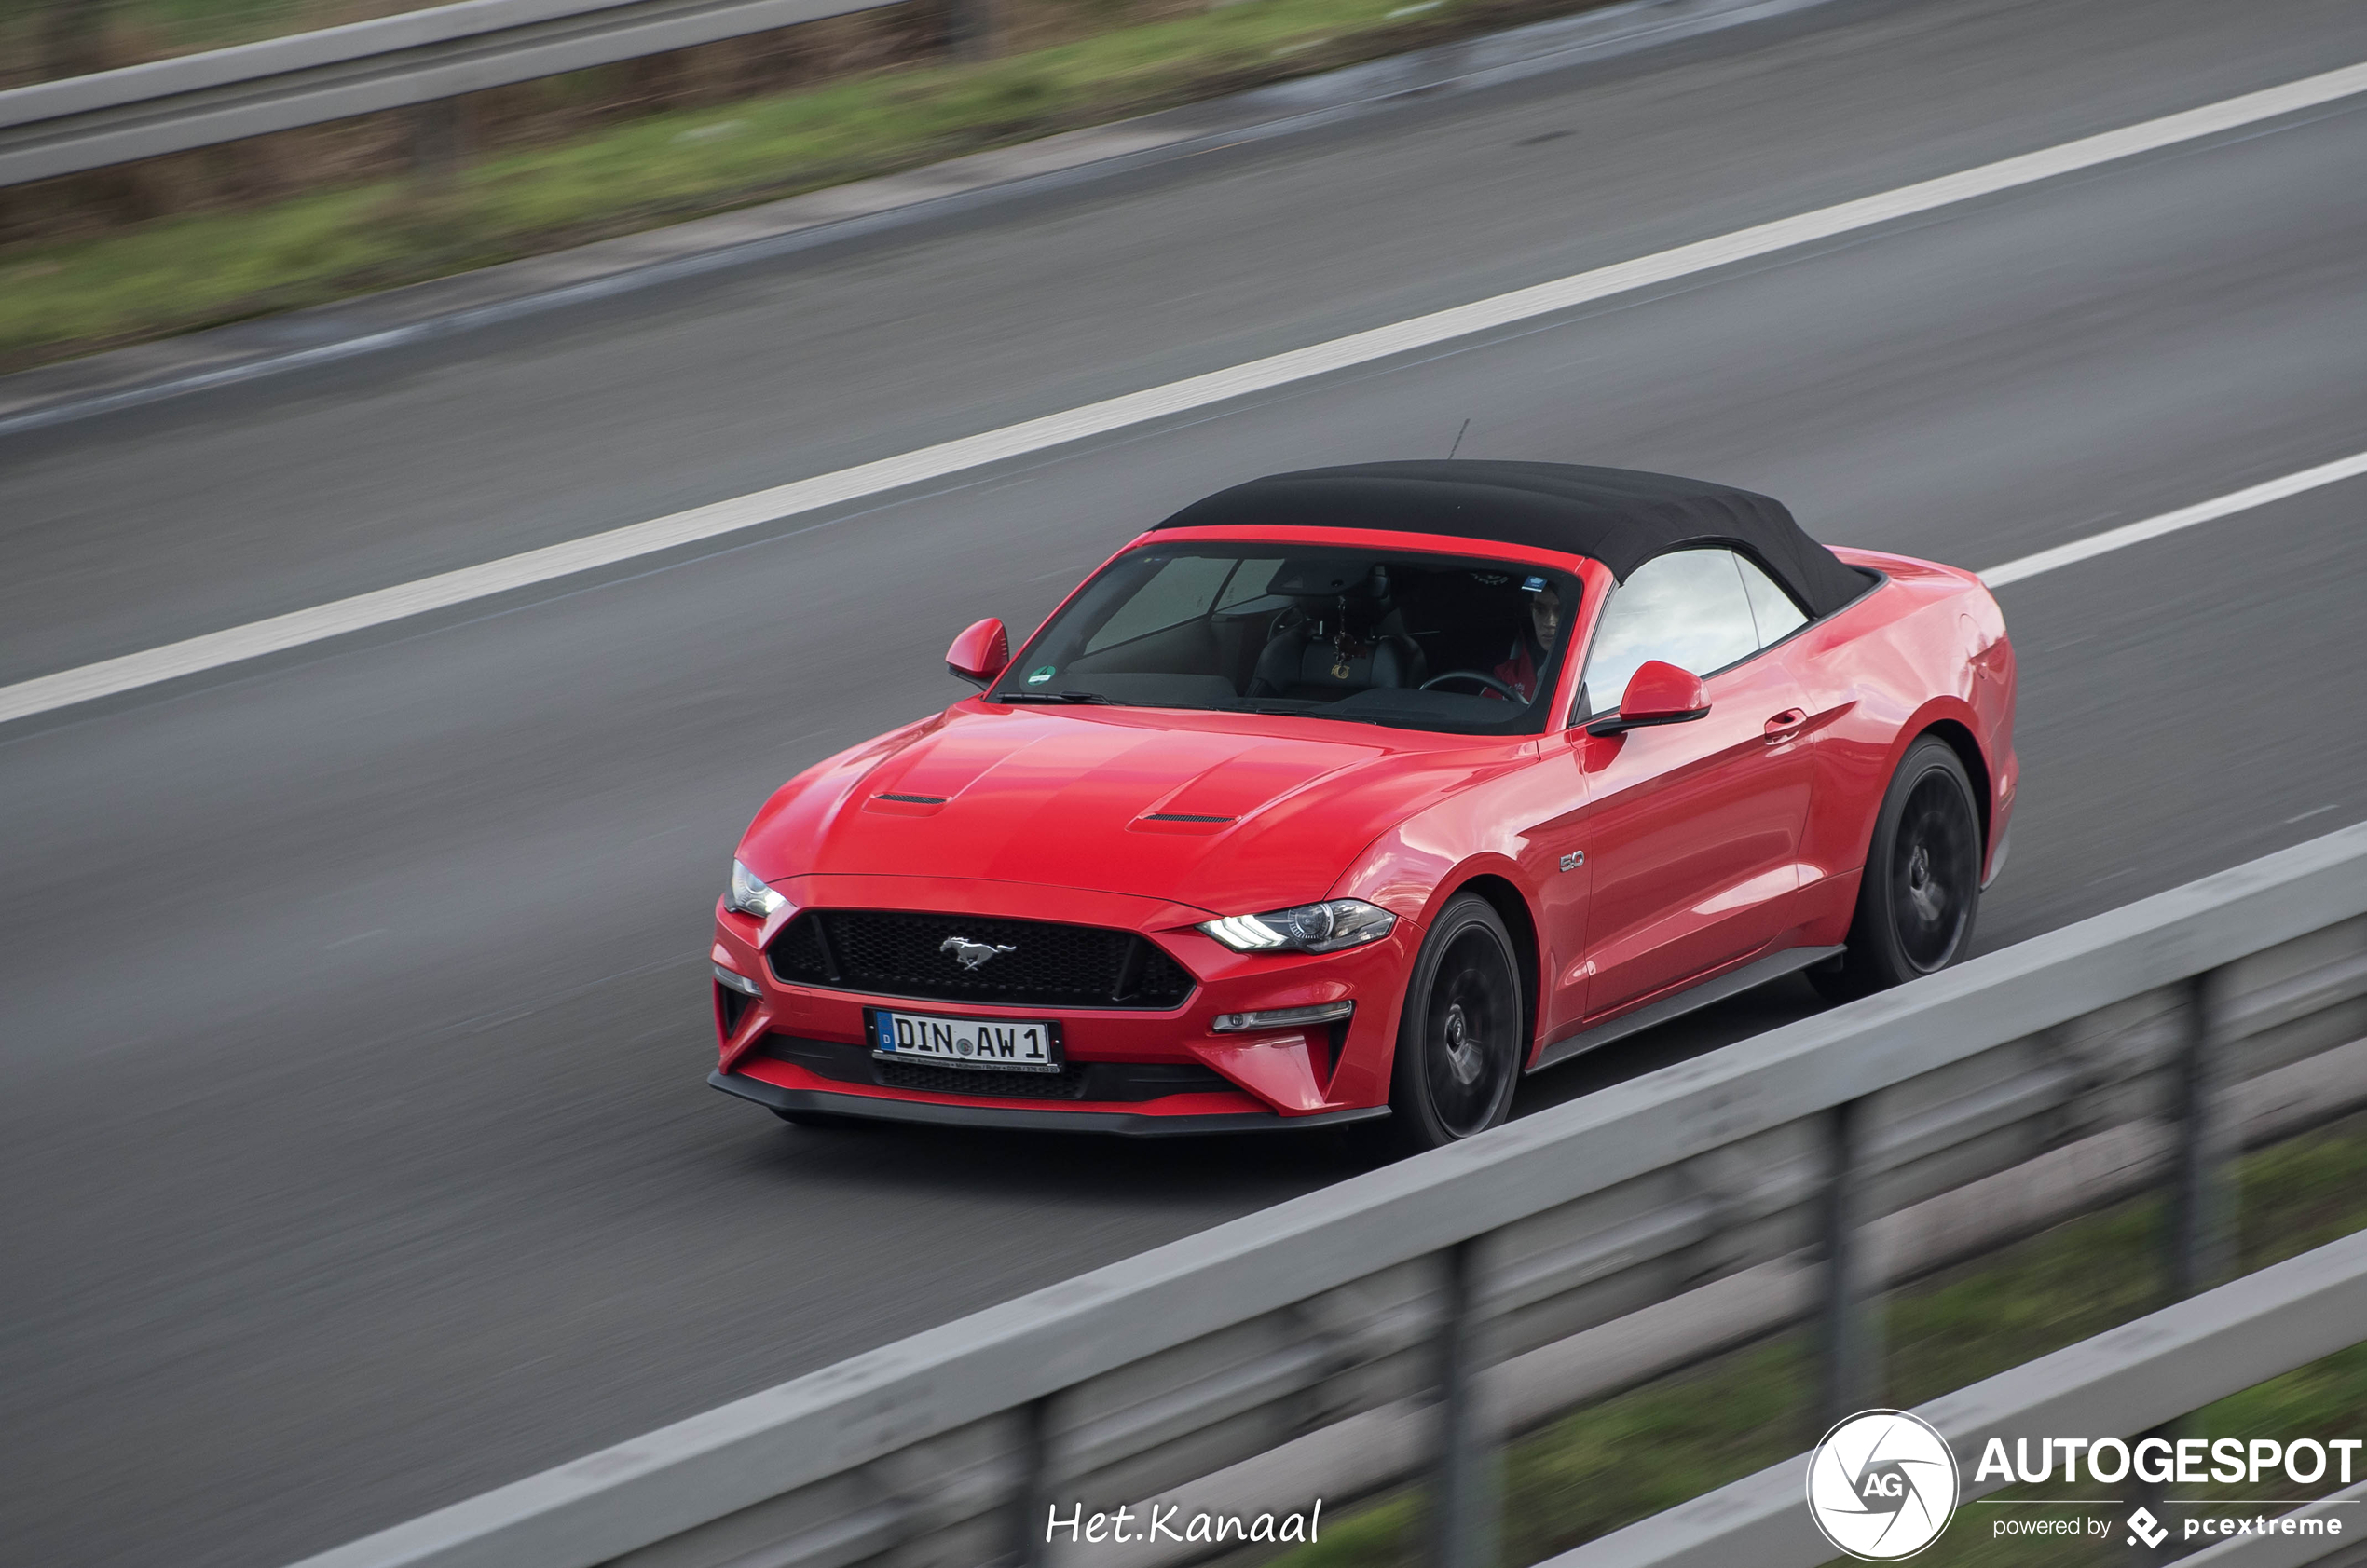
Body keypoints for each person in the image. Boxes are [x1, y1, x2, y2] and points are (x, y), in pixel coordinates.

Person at [1491, 583, 1559, 702]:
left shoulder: (1587, 670)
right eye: (1540, 609)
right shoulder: (1508, 673)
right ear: (1531, 611)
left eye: (1559, 610)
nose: (1549, 622)